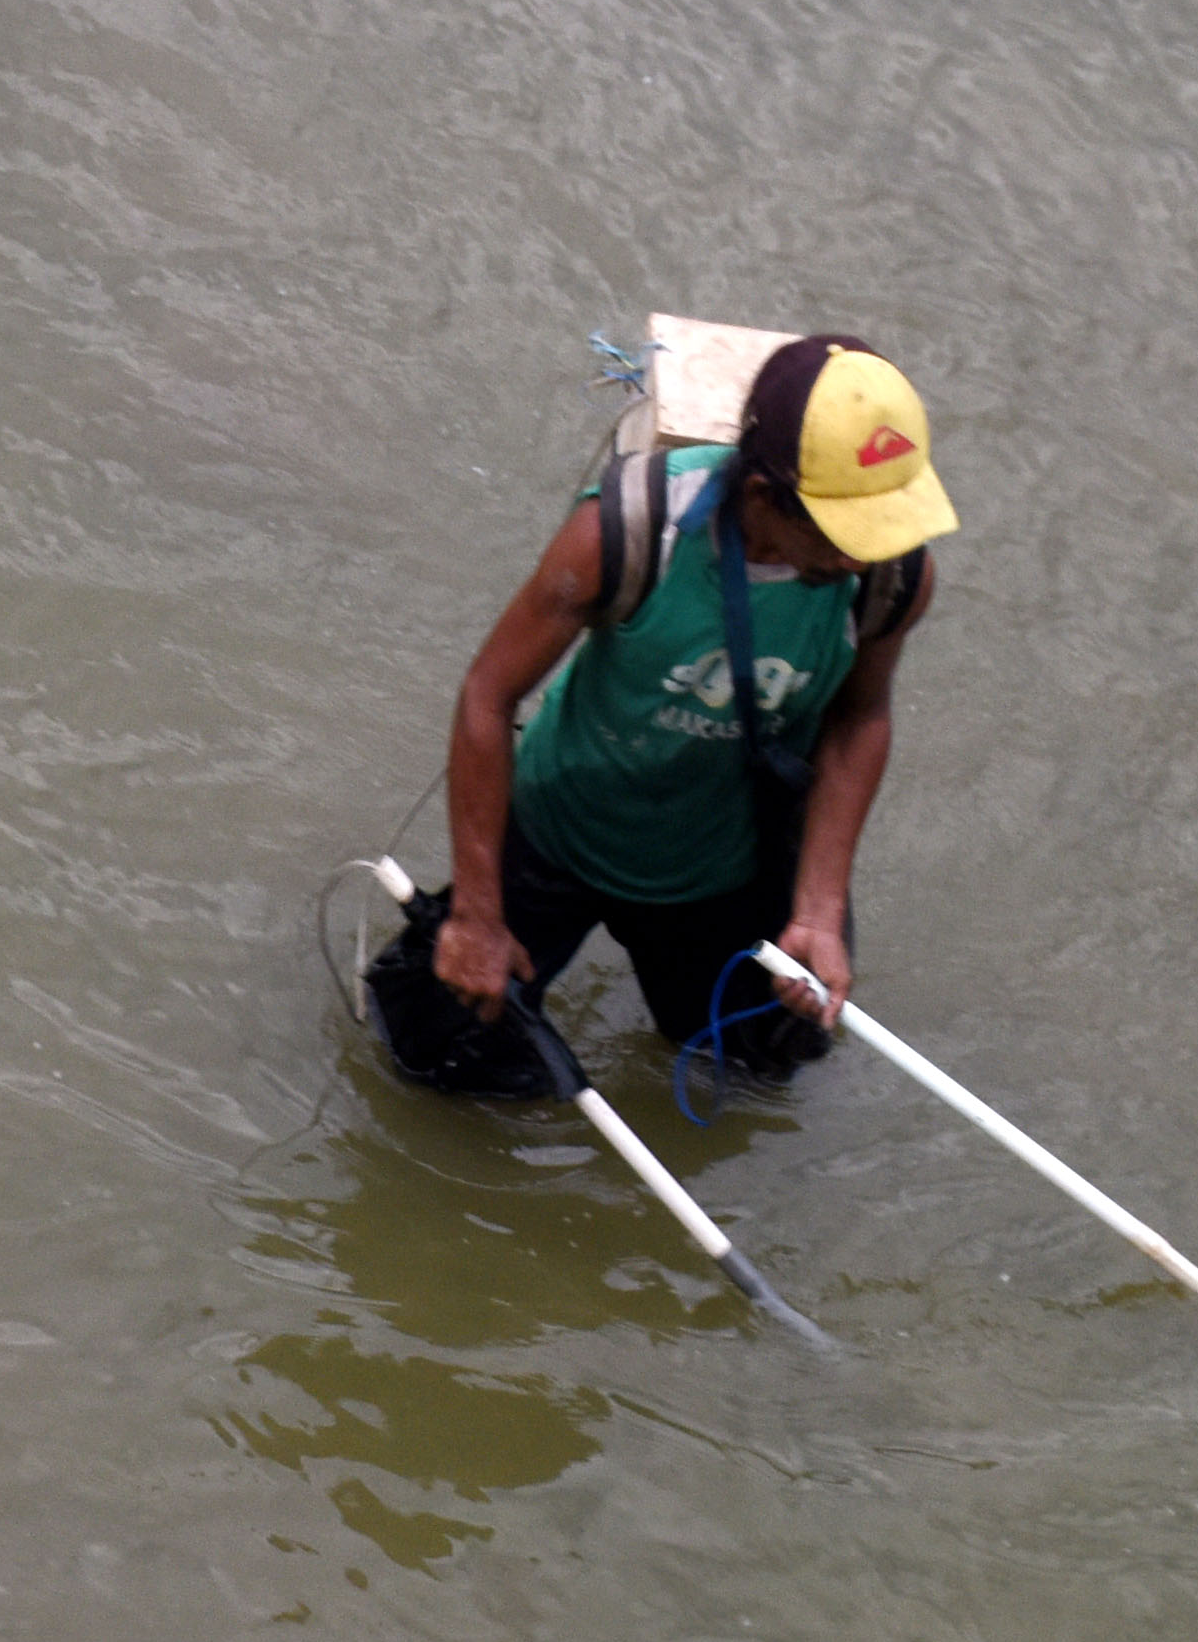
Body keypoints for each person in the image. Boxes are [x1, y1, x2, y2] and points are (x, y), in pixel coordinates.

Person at [375, 331, 957, 1099]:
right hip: (564, 826)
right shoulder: (623, 534)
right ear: (762, 499)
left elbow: (858, 721)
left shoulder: (893, 578)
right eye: (846, 534)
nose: (860, 559)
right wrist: (479, 916)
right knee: (436, 1053)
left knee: (767, 1058)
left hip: (721, 860)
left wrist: (818, 905)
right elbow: (488, 695)